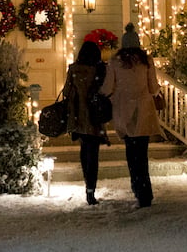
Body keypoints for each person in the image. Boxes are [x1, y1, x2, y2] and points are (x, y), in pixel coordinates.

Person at [101, 24, 159, 208]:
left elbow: (108, 87)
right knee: (142, 153)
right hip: (143, 110)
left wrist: (102, 95)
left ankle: (137, 186)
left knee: (131, 152)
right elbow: (153, 87)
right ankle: (145, 192)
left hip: (123, 110)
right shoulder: (146, 60)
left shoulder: (115, 61)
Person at [65, 40, 109, 205]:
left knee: (85, 151)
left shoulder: (74, 69)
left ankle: (87, 186)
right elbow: (106, 91)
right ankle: (91, 188)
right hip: (94, 117)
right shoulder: (99, 70)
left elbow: (67, 91)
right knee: (94, 154)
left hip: (79, 116)